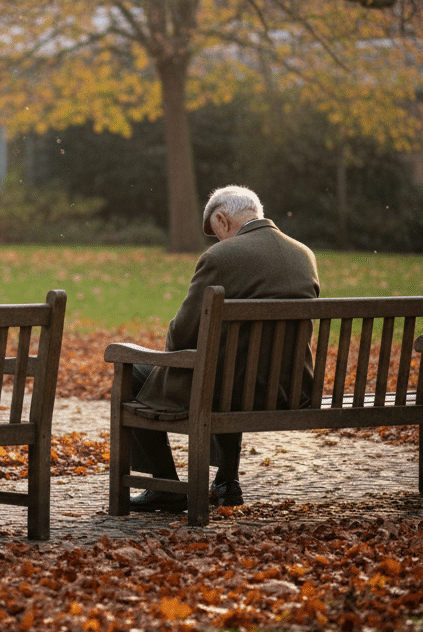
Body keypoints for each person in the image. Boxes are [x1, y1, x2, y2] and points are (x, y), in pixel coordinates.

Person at [127, 185, 320, 512]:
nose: (216, 241)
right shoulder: (304, 254)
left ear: (221, 218)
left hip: (228, 390)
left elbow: (182, 336)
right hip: (289, 390)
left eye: (215, 232)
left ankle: (168, 486)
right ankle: (226, 480)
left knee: (133, 371)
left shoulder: (220, 256)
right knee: (234, 368)